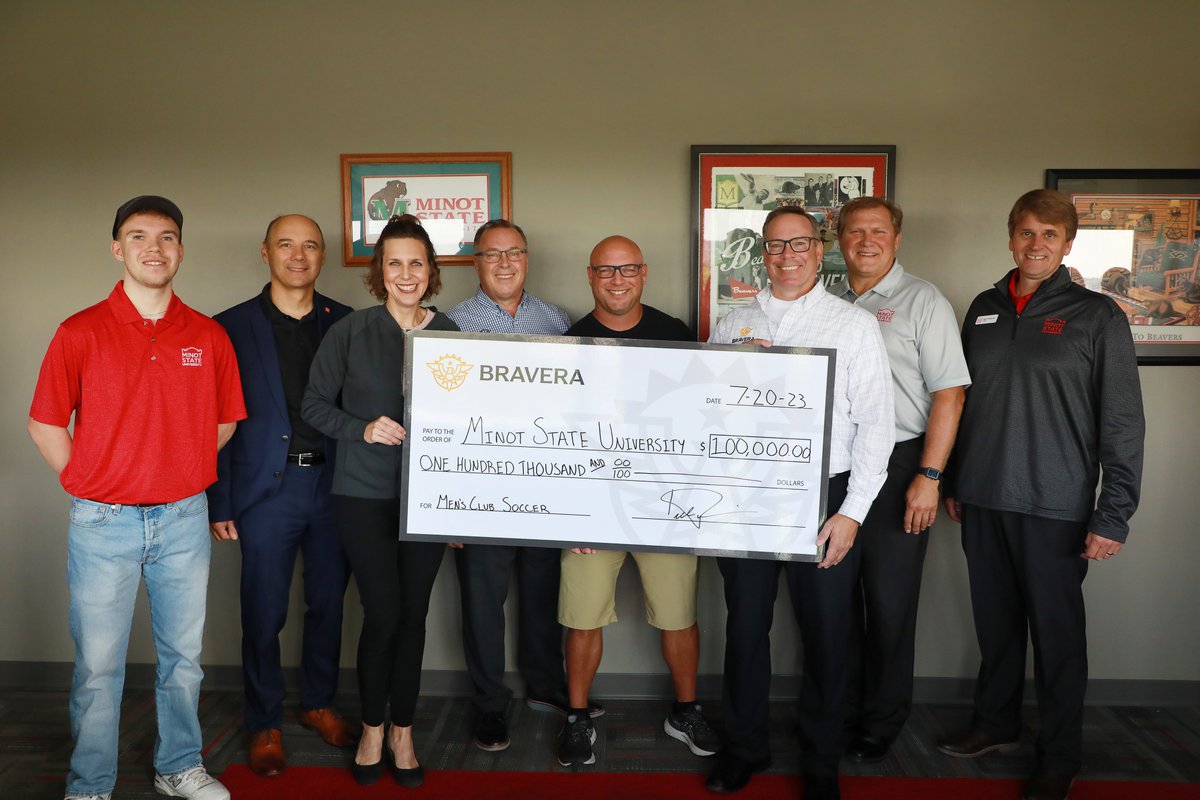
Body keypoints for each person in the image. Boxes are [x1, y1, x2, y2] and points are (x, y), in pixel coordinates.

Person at [28, 196, 244, 800]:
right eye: (139, 235)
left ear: (181, 249)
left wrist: (179, 466)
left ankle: (178, 766)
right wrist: (92, 483)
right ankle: (91, 782)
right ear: (117, 248)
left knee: (185, 659)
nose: (156, 247)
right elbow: (45, 423)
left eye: (168, 236)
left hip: (183, 517)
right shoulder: (79, 331)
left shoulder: (207, 334)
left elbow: (224, 422)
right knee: (99, 667)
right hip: (103, 523)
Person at [938, 190, 1145, 800]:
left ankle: (1059, 754)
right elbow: (958, 400)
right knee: (996, 626)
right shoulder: (982, 307)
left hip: (1056, 504)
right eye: (1026, 233)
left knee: (1056, 638)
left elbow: (1123, 422)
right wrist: (952, 480)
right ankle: (996, 724)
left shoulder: (1096, 315)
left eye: (1049, 236)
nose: (1035, 245)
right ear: (1010, 237)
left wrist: (1115, 513)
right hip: (981, 496)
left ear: (1068, 244)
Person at [706, 207, 894, 799]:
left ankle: (821, 759)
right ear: (763, 254)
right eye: (775, 246)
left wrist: (852, 512)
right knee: (745, 627)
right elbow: (706, 412)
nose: (787, 256)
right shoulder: (731, 323)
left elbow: (878, 427)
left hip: (825, 496)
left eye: (799, 244)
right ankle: (744, 747)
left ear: (819, 251)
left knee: (828, 632)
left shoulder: (853, 326)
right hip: (746, 493)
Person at [302, 214, 459, 788]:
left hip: (432, 500)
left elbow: (477, 426)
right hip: (362, 496)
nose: (406, 273)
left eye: (416, 262)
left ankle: (404, 732)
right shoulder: (350, 331)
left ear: (431, 271)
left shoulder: (452, 336)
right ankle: (372, 726)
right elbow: (314, 405)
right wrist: (362, 429)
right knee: (384, 613)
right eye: (394, 263)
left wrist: (464, 505)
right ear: (379, 272)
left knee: (413, 616)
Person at [556, 236, 719, 767]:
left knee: (679, 615)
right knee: (581, 617)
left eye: (627, 269)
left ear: (644, 273)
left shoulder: (676, 336)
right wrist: (570, 514)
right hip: (593, 507)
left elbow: (701, 418)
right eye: (605, 270)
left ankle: (686, 709)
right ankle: (578, 716)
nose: (617, 279)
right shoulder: (571, 342)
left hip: (663, 502)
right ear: (590, 275)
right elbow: (557, 433)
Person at [206, 214, 356, 777]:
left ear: (323, 256)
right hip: (264, 491)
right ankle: (263, 719)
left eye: (310, 246)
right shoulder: (229, 328)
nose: (298, 255)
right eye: (286, 245)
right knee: (263, 611)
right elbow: (214, 419)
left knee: (328, 605)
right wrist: (219, 500)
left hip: (335, 487)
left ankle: (318, 703)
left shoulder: (348, 323)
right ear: (264, 251)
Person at [446, 219, 603, 752]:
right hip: (480, 492)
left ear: (528, 258)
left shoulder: (555, 319)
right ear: (476, 263)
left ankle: (545, 686)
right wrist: (444, 507)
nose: (506, 263)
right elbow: (436, 414)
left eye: (515, 252)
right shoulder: (451, 325)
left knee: (541, 593)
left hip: (544, 487)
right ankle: (490, 706)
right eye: (493, 255)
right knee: (483, 604)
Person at [829, 197, 970, 762]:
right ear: (838, 240)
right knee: (834, 603)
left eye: (878, 231)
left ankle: (881, 719)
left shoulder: (924, 301)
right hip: (838, 467)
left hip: (902, 465)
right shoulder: (829, 300)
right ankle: (837, 710)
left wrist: (930, 476)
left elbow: (950, 394)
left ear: (897, 239)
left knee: (888, 604)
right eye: (855, 231)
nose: (866, 241)